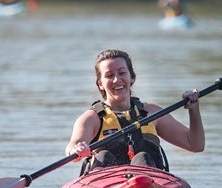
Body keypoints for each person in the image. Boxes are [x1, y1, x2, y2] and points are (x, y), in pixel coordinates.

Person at [66, 49, 204, 175]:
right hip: (104, 187)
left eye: (122, 73)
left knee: (142, 158)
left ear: (132, 77)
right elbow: (71, 148)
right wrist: (77, 149)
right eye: (109, 75)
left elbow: (195, 145)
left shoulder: (152, 113)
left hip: (148, 183)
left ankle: (143, 185)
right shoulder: (91, 118)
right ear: (100, 84)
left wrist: (194, 109)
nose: (116, 79)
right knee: (103, 156)